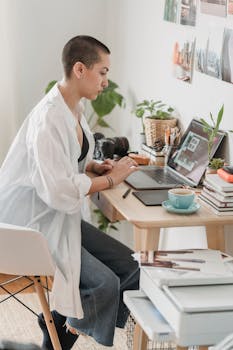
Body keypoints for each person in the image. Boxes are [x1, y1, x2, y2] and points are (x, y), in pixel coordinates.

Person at [0, 35, 140, 349]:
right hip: (29, 227)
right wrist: (112, 180)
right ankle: (58, 335)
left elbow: (71, 161)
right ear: (80, 69)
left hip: (57, 217)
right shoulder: (49, 118)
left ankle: (61, 321)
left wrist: (93, 168)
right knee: (103, 284)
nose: (106, 81)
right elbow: (57, 190)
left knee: (132, 267)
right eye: (102, 72)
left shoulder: (71, 107)